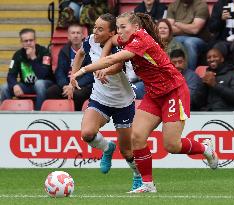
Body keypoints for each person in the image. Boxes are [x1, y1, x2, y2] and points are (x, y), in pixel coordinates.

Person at [71, 12, 219, 193]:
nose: (119, 31)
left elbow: (113, 59)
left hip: (173, 92)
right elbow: (111, 41)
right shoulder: (126, 37)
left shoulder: (141, 40)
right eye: (118, 28)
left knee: (172, 145)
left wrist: (82, 70)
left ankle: (205, 148)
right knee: (137, 137)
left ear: (136, 27)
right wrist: (103, 54)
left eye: (123, 27)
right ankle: (148, 184)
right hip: (154, 94)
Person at [70, 13, 142, 191]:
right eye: (95, 27)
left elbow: (118, 65)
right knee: (87, 133)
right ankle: (107, 148)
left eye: (100, 29)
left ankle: (138, 176)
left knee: (127, 151)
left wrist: (106, 71)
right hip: (100, 98)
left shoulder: (120, 45)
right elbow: (80, 54)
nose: (95, 32)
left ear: (111, 33)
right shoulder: (91, 41)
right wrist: (73, 75)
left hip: (123, 102)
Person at [0, 28, 54, 110]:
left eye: (31, 40)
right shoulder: (18, 55)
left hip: (45, 83)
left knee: (39, 84)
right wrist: (14, 85)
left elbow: (43, 75)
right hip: (26, 86)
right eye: (25, 41)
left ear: (35, 40)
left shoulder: (44, 52)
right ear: (21, 43)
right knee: (4, 87)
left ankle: (38, 114)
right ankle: (9, 113)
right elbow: (11, 75)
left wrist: (33, 58)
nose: (28, 43)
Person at [46, 24, 94, 111]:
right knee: (51, 91)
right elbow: (59, 71)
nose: (75, 35)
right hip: (67, 84)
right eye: (73, 33)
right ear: (68, 36)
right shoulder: (64, 51)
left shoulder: (89, 51)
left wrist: (74, 85)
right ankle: (59, 114)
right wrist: (65, 85)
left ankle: (76, 116)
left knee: (78, 94)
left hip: (83, 85)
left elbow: (90, 74)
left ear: (83, 36)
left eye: (78, 33)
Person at [167, 0, 210, 70]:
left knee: (189, 42)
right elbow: (170, 28)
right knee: (173, 41)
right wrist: (189, 27)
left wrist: (178, 24)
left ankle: (189, 72)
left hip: (199, 39)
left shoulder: (201, 5)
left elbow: (195, 30)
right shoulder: (173, 5)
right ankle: (171, 72)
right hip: (178, 37)